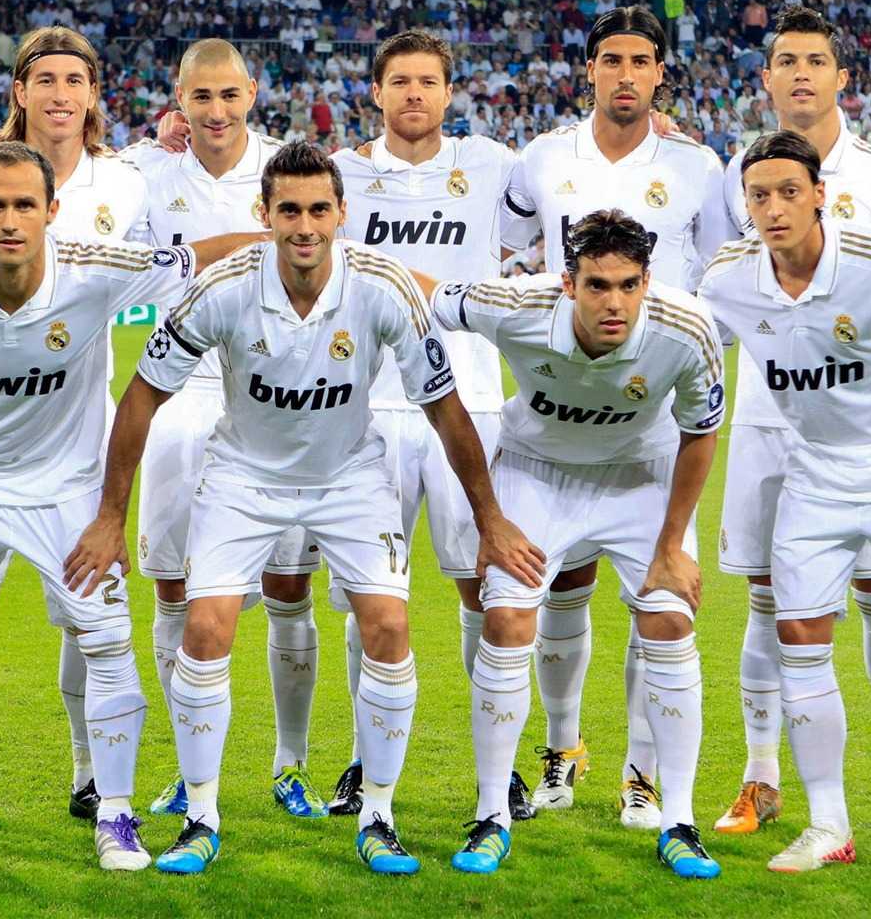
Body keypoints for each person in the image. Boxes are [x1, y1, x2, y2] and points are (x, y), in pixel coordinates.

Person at [63, 142, 544, 876]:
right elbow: (141, 397)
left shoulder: (382, 285)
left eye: (320, 209)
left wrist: (491, 519)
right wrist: (109, 517)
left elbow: (446, 409)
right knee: (205, 626)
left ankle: (377, 816)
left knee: (388, 625)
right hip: (243, 474)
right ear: (265, 214)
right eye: (289, 210)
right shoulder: (223, 286)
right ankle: (200, 818)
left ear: (342, 213)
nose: (305, 225)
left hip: (349, 474)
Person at [0, 142, 262, 871]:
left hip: (67, 488)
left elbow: (200, 256)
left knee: (107, 640)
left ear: (51, 210)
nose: (10, 220)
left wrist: (288, 237)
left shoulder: (96, 268)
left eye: (25, 204)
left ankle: (115, 815)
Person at [700, 131, 871, 879]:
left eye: (789, 191)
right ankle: (828, 825)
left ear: (821, 194)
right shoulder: (728, 278)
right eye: (759, 196)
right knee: (798, 637)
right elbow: (687, 343)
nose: (774, 208)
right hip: (813, 480)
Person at [423, 209, 724, 878]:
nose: (614, 302)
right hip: (537, 475)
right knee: (506, 621)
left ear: (647, 282)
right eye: (597, 285)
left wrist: (673, 544)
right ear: (568, 283)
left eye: (628, 285)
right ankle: (491, 815)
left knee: (670, 621)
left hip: (640, 477)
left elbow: (700, 434)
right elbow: (427, 292)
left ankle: (679, 820)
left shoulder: (686, 328)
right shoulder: (514, 304)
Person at [500, 4, 736, 826]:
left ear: (660, 72)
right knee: (561, 585)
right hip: (560, 414)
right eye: (612, 60)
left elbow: (723, 272)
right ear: (589, 69)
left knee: (658, 597)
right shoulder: (542, 159)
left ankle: (642, 774)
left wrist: (688, 354)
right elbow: (502, 251)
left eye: (641, 60)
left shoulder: (699, 166)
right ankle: (561, 752)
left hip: (653, 418)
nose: (626, 74)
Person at [0, 25, 150, 825]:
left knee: (85, 613)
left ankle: (90, 774)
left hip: (78, 435)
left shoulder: (127, 184)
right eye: (44, 80)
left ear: (94, 95)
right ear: (19, 90)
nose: (59, 94)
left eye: (74, 80)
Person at [325, 29, 532, 821]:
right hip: (365, 406)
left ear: (450, 92)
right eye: (400, 81)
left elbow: (561, 194)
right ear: (375, 92)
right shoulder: (340, 172)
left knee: (483, 583)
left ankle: (500, 771)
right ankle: (360, 760)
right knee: (369, 593)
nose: (414, 93)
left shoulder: (494, 165)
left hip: (469, 402)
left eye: (428, 81)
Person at [121, 39, 326, 820]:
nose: (215, 111)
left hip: (274, 394)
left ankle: (290, 764)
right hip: (177, 393)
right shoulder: (143, 173)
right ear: (177, 98)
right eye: (200, 96)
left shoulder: (287, 169)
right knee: (174, 584)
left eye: (229, 95)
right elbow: (68, 173)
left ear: (253, 93)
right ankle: (188, 766)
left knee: (288, 585)